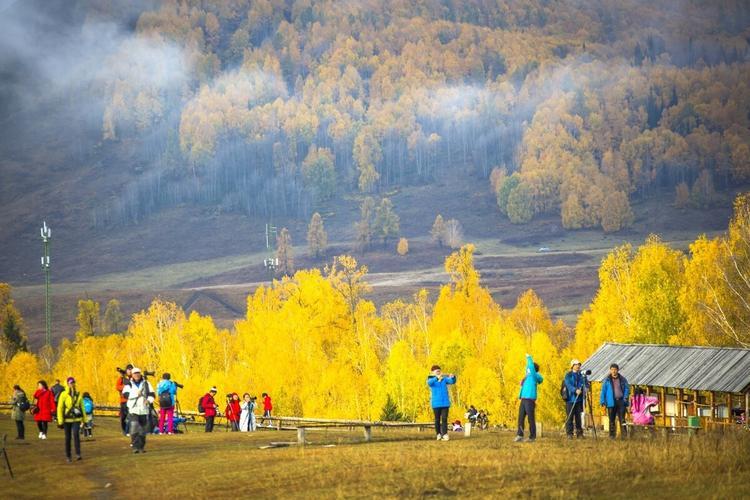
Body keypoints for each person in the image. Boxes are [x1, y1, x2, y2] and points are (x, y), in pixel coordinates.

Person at [121, 367, 155, 453]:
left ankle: (141, 447)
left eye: (138, 373)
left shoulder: (146, 383)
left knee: (143, 430)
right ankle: (135, 447)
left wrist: (149, 400)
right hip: (133, 409)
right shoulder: (129, 384)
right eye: (135, 373)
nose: (137, 375)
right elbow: (125, 395)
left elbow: (152, 394)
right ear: (132, 375)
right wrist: (136, 394)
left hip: (144, 409)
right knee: (134, 427)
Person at [515, 354, 543, 443]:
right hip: (523, 399)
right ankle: (520, 435)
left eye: (528, 370)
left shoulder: (533, 376)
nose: (527, 370)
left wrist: (529, 357)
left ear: (532, 370)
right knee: (521, 418)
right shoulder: (528, 377)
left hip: (529, 399)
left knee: (531, 418)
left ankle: (532, 437)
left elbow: (531, 366)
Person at [56, 377, 85, 462]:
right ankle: (68, 456)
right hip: (67, 419)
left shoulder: (78, 394)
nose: (72, 384)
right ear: (67, 384)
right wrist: (60, 420)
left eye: (73, 382)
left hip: (76, 419)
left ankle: (78, 454)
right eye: (70, 383)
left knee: (76, 435)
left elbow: (82, 407)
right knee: (67, 437)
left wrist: (84, 419)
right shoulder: (63, 394)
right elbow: (60, 408)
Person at [427, 365, 457, 441]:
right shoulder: (431, 379)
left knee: (444, 419)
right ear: (433, 372)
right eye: (437, 371)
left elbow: (452, 381)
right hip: (436, 404)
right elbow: (429, 383)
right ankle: (438, 434)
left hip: (445, 403)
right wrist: (437, 378)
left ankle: (445, 434)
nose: (438, 372)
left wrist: (453, 377)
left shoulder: (444, 379)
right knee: (437, 420)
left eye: (439, 371)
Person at [600, 363, 630, 439]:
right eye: (612, 369)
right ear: (610, 370)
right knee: (611, 420)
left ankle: (624, 436)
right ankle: (612, 436)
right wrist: (602, 401)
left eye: (615, 369)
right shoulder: (607, 380)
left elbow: (627, 388)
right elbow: (603, 391)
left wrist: (625, 397)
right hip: (611, 402)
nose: (613, 371)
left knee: (622, 419)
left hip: (621, 402)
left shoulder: (622, 379)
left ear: (617, 370)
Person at [563, 359, 585, 439]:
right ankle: (569, 433)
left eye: (579, 364)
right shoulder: (568, 375)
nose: (578, 366)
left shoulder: (581, 375)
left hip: (578, 400)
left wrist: (582, 388)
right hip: (570, 399)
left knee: (578, 417)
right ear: (572, 366)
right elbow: (568, 384)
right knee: (570, 417)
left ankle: (579, 433)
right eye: (576, 364)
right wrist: (575, 390)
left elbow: (583, 383)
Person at [115, 364, 133, 436]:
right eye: (129, 369)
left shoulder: (133, 378)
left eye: (131, 369)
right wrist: (125, 387)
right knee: (123, 417)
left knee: (131, 416)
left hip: (131, 400)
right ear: (126, 370)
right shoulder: (121, 378)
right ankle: (124, 430)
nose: (130, 371)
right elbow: (117, 387)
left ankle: (129, 431)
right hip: (123, 400)